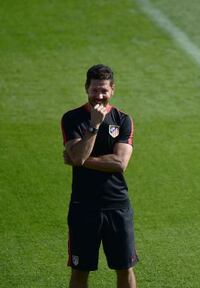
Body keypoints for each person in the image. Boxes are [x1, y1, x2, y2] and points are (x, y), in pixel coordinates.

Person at [61, 64, 138, 288]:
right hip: (83, 207)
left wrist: (83, 160)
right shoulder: (72, 118)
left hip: (117, 206)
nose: (99, 96)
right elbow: (79, 155)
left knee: (125, 269)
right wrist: (94, 125)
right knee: (80, 271)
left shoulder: (123, 120)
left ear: (112, 89)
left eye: (104, 90)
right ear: (86, 88)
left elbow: (120, 163)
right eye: (95, 90)